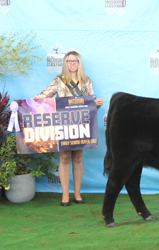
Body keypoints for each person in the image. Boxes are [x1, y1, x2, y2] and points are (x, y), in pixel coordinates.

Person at [34, 50, 103, 206]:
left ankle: (77, 194)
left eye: (75, 61)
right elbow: (45, 95)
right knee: (64, 158)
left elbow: (91, 106)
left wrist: (96, 103)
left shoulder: (87, 81)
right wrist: (26, 103)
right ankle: (65, 195)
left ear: (79, 63)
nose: (72, 63)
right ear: (65, 63)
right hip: (63, 123)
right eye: (69, 61)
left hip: (80, 124)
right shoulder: (59, 80)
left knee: (78, 157)